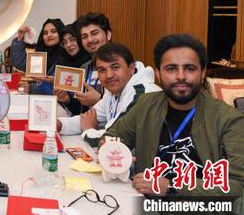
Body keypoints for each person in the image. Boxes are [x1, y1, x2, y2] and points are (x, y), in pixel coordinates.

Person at [104, 34, 244, 199]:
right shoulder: (146, 104)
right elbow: (112, 137)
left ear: (203, 72)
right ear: (158, 73)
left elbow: (237, 186)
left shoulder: (229, 120)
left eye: (190, 68)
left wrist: (172, 187)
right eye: (171, 69)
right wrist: (115, 153)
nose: (181, 76)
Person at [58, 43, 160, 135]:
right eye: (102, 70)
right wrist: (59, 124)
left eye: (115, 67)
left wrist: (88, 130)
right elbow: (88, 118)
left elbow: (113, 138)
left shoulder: (141, 94)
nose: (109, 75)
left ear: (132, 68)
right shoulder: (111, 91)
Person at [11, 18, 65, 94]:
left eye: (53, 32)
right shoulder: (40, 53)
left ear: (61, 33)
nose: (49, 35)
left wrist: (32, 88)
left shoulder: (67, 55)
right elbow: (19, 62)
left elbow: (62, 90)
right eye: (45, 33)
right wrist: (20, 39)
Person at [73, 12, 113, 108]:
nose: (90, 40)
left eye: (94, 33)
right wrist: (68, 100)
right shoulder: (84, 68)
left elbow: (128, 105)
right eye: (84, 36)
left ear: (108, 35)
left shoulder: (120, 65)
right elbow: (81, 108)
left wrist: (99, 100)